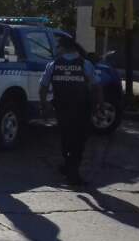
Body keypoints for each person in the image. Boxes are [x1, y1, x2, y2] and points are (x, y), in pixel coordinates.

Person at [39, 36, 99, 187]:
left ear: (64, 48)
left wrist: (44, 104)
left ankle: (68, 167)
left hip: (62, 109)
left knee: (66, 138)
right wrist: (99, 105)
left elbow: (43, 87)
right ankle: (73, 173)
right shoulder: (85, 64)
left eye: (58, 47)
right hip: (81, 109)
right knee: (78, 141)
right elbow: (96, 87)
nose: (56, 50)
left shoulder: (53, 65)